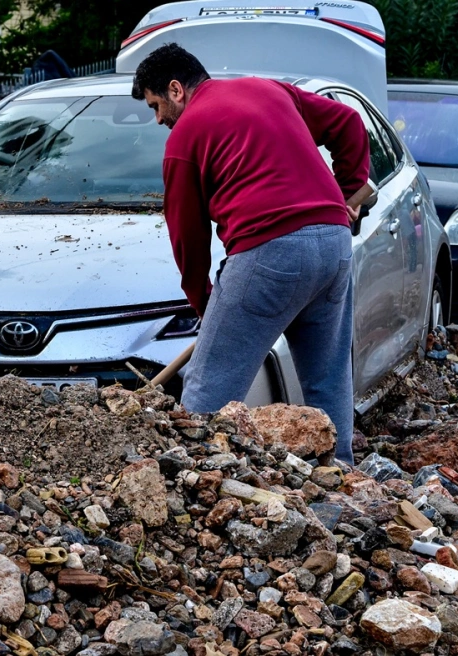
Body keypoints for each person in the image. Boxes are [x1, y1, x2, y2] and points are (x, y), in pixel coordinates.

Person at [132, 43, 370, 464]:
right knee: (327, 375)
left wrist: (207, 304)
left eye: (156, 106)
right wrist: (349, 191)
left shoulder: (185, 138)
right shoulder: (270, 91)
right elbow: (348, 123)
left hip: (269, 252)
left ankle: (194, 476)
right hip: (333, 244)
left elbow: (187, 238)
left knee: (209, 388)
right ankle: (341, 475)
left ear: (175, 90)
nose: (158, 119)